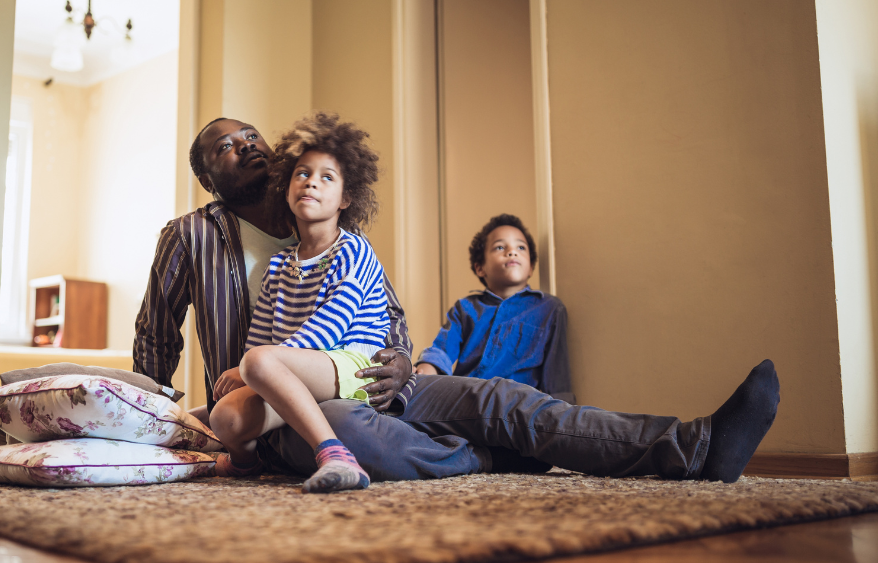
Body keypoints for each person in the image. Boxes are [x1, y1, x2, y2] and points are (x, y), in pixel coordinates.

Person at [134, 116, 780, 485]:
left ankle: (693, 447)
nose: (246, 143)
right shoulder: (193, 236)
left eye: (251, 134)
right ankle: (490, 459)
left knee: (504, 399)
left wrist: (400, 360)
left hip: (380, 377)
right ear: (206, 174)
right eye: (225, 143)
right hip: (294, 414)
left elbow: (385, 312)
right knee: (358, 434)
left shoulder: (335, 230)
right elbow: (158, 332)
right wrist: (149, 421)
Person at [209, 113, 389, 493]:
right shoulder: (279, 264)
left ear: (347, 198)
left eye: (327, 177)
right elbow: (259, 335)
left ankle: (336, 455)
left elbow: (331, 326)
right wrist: (252, 369)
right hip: (297, 370)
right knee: (224, 416)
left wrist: (250, 369)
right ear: (286, 187)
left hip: (354, 364)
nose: (311, 182)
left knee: (258, 362)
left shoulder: (353, 250)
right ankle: (246, 463)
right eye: (302, 173)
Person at [416, 214, 574, 404]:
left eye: (521, 247)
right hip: (464, 402)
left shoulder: (549, 309)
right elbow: (441, 351)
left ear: (531, 267)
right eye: (500, 247)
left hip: (517, 407)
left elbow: (557, 377)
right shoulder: (465, 309)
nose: (512, 252)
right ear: (480, 268)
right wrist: (425, 370)